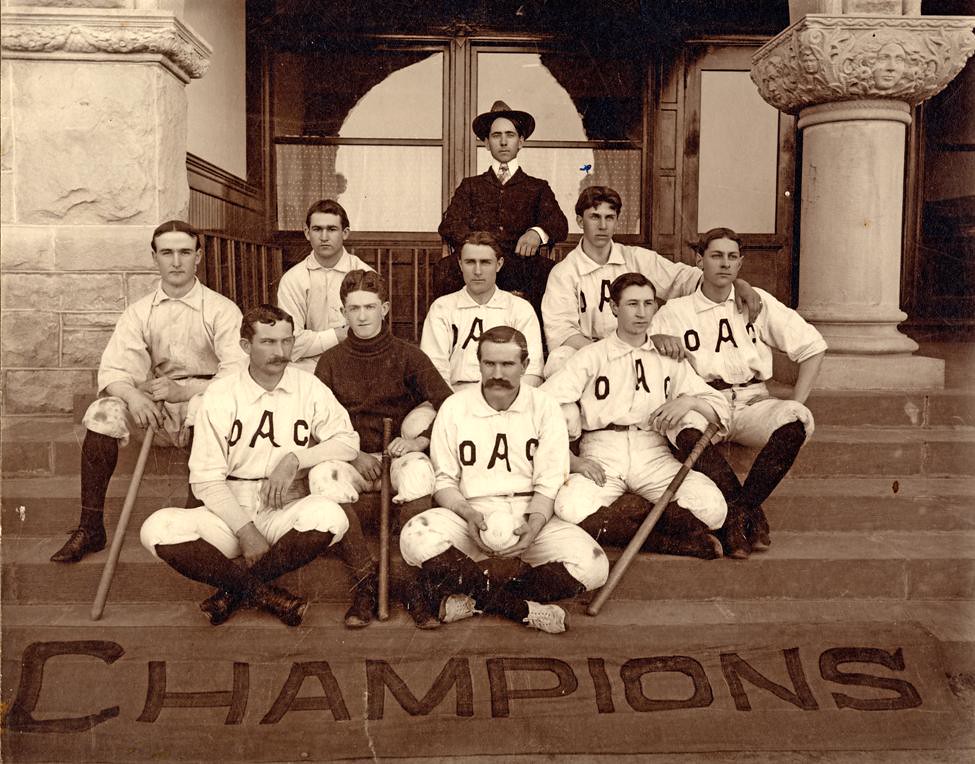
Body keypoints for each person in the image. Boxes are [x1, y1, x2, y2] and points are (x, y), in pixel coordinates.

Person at [140, 305, 361, 627]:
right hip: (231, 509)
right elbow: (204, 479)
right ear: (245, 346)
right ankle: (267, 595)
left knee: (330, 516)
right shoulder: (220, 393)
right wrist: (246, 532)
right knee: (157, 528)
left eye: (286, 342)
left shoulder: (309, 386)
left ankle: (232, 593)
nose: (280, 351)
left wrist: (295, 459)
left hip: (285, 506)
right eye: (268, 342)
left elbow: (347, 441)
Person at [51, 220, 247, 564]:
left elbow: (238, 374)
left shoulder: (222, 310)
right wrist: (134, 396)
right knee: (103, 412)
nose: (176, 262)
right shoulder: (138, 312)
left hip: (207, 402)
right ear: (154, 257)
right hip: (155, 404)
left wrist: (185, 391)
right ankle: (90, 526)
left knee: (206, 405)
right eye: (167, 253)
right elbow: (113, 371)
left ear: (198, 257)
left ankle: (195, 519)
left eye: (185, 252)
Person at [399, 327, 608, 633]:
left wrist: (533, 527)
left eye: (508, 365)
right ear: (479, 363)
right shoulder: (455, 407)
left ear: (525, 365)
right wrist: (469, 515)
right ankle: (520, 609)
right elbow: (444, 481)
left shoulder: (545, 406)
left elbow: (549, 483)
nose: (497, 373)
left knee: (594, 565)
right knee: (414, 537)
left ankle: (475, 601)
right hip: (472, 512)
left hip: (528, 511)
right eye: (489, 364)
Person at [651, 228, 827, 558]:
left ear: (741, 262)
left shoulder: (755, 302)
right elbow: (648, 355)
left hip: (752, 400)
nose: (725, 264)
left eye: (732, 257)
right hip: (703, 399)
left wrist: (795, 400)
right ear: (699, 259)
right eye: (716, 256)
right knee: (681, 427)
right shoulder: (674, 311)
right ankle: (748, 515)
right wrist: (658, 341)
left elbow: (813, 346)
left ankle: (739, 512)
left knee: (797, 420)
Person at [541, 273, 732, 559]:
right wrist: (573, 460)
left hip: (653, 450)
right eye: (632, 304)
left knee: (713, 509)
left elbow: (720, 407)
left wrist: (688, 402)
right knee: (570, 507)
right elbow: (542, 405)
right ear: (614, 308)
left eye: (648, 304)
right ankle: (670, 543)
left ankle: (633, 520)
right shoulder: (591, 356)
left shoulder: (668, 358)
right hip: (602, 451)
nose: (642, 312)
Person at [313, 269, 454, 627]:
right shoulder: (329, 361)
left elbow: (451, 407)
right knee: (322, 479)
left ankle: (409, 583)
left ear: (385, 308)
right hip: (352, 459)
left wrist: (418, 441)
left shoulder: (409, 355)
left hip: (398, 456)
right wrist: (351, 454)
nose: (362, 316)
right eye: (353, 308)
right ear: (343, 312)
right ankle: (365, 585)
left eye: (370, 307)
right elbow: (313, 421)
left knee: (422, 471)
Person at [541, 186, 762, 378]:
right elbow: (563, 332)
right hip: (590, 351)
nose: (602, 225)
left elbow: (683, 279)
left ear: (617, 221)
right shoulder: (565, 273)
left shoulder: (636, 258)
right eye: (594, 217)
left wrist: (738, 284)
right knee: (559, 360)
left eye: (609, 217)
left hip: (640, 344)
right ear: (580, 221)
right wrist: (608, 352)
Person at [435, 101, 568, 322]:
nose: (504, 141)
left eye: (510, 135)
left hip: (520, 264)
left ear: (521, 142)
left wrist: (537, 232)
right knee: (444, 269)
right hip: (479, 261)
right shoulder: (471, 185)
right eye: (496, 136)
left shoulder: (537, 187)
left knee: (549, 273)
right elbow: (449, 224)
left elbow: (559, 224)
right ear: (486, 143)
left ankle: (535, 343)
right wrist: (477, 245)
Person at [421, 231, 544, 390]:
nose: (477, 271)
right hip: (456, 395)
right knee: (420, 415)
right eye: (470, 262)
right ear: (460, 264)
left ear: (499, 264)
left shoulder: (519, 308)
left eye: (485, 262)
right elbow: (434, 369)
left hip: (507, 395)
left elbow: (532, 371)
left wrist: (507, 400)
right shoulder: (442, 308)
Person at [277, 199, 374, 372]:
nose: (324, 237)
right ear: (307, 232)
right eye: (317, 229)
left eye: (331, 229)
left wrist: (313, 341)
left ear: (345, 233)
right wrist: (338, 335)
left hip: (357, 364)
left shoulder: (365, 274)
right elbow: (289, 342)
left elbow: (369, 335)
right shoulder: (293, 279)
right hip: (308, 367)